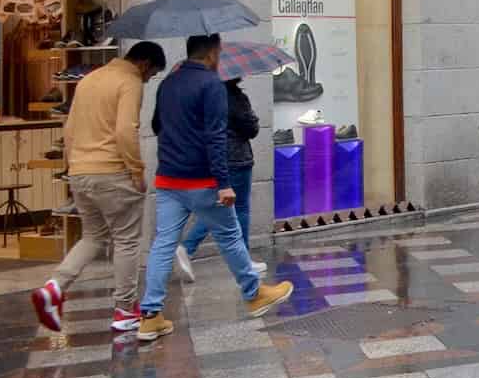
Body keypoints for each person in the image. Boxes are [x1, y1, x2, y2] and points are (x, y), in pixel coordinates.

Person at [137, 35, 293, 342]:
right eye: (219, 51)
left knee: (164, 242)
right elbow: (215, 136)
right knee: (230, 234)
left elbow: (156, 126)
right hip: (202, 179)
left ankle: (151, 315)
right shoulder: (211, 84)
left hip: (168, 178)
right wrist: (223, 183)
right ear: (212, 52)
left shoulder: (168, 83)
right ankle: (254, 293)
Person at [29, 41, 167, 334]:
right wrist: (137, 170)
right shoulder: (129, 81)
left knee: (93, 236)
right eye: (151, 74)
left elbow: (69, 129)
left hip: (80, 171)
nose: (147, 80)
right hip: (113, 173)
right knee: (127, 240)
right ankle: (125, 310)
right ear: (144, 64)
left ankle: (55, 288)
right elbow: (124, 130)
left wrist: (73, 164)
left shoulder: (89, 79)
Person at [172, 74, 265, 283]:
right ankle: (243, 261)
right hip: (236, 159)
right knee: (238, 208)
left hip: (213, 159)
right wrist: (252, 117)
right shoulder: (235, 97)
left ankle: (188, 248)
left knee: (219, 209)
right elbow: (251, 129)